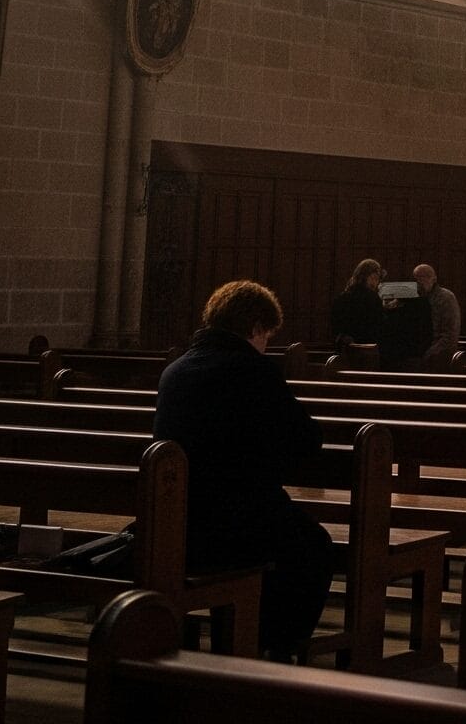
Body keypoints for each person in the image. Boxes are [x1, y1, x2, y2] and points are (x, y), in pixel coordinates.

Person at [153, 281, 333, 661]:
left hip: (175, 520)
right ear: (254, 326)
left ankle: (247, 637)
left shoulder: (175, 371)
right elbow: (306, 440)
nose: (266, 343)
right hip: (235, 521)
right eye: (267, 334)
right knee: (313, 547)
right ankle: (271, 647)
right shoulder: (253, 370)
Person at [412, 263, 462, 367]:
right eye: (416, 278)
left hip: (438, 356)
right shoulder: (415, 298)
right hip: (419, 352)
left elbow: (449, 333)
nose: (419, 282)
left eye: (423, 277)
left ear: (434, 279)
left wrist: (430, 354)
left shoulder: (446, 297)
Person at [328, 259, 385, 349]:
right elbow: (379, 325)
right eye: (374, 278)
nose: (376, 283)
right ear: (365, 277)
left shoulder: (342, 296)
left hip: (345, 347)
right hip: (367, 347)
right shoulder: (372, 297)